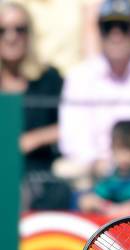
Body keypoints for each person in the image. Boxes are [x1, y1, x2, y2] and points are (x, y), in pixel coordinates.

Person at [58, 0, 130, 180]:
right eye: (108, 27)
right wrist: (103, 166)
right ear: (99, 32)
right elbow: (73, 138)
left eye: (123, 27)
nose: (116, 35)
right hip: (97, 174)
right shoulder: (80, 76)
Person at [0, 2, 71, 210]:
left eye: (19, 29)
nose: (11, 37)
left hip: (37, 172)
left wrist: (33, 139)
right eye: (2, 30)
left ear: (30, 34)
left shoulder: (49, 79)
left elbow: (72, 125)